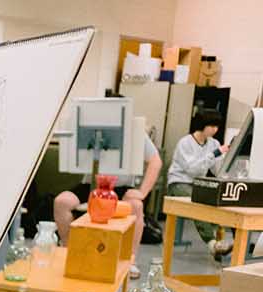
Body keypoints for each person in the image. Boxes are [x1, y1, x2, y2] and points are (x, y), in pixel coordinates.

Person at [53, 125, 160, 278]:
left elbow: (155, 161)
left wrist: (142, 192)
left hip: (121, 186)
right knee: (62, 201)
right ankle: (70, 251)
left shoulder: (136, 132)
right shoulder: (90, 128)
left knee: (136, 205)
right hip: (91, 184)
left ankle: (130, 261)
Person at [168, 110, 238, 257]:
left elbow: (217, 170)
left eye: (217, 126)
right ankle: (212, 243)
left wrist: (228, 158)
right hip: (179, 182)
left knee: (221, 200)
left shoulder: (214, 143)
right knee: (198, 203)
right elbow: (192, 170)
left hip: (198, 184)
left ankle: (236, 242)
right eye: (212, 125)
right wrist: (215, 154)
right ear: (202, 125)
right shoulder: (185, 143)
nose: (215, 130)